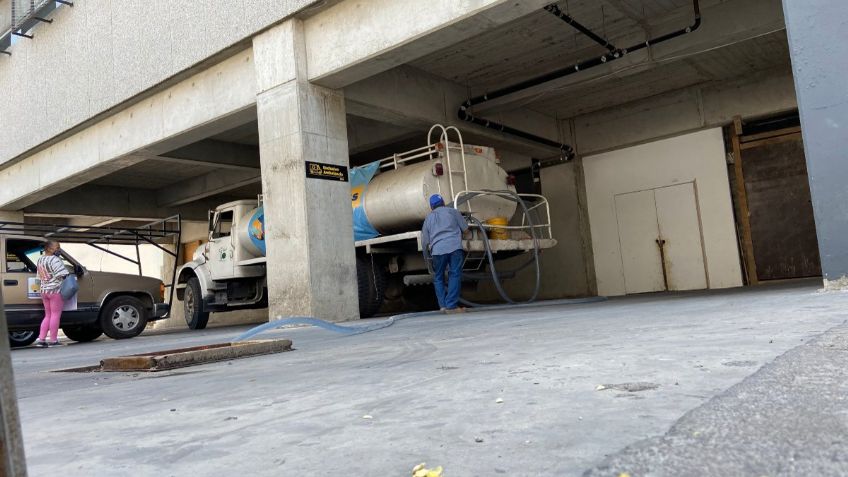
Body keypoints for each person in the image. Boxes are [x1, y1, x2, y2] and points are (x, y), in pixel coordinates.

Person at [421, 194, 470, 313]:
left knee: (438, 277)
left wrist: (427, 256)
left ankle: (443, 306)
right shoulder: (453, 212)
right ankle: (451, 305)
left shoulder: (428, 218)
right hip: (454, 248)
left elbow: (425, 241)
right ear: (443, 202)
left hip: (437, 251)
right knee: (454, 274)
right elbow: (466, 230)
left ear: (431, 207)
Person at [33, 240, 69, 348]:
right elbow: (63, 275)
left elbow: (38, 278)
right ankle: (53, 341)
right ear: (49, 248)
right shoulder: (55, 259)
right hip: (55, 291)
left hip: (44, 291)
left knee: (48, 315)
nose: (59, 249)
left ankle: (41, 340)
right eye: (57, 247)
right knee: (55, 315)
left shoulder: (40, 260)